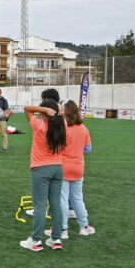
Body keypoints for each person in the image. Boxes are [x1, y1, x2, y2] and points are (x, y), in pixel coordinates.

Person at [45, 100, 95, 240]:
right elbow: (88, 149)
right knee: (78, 199)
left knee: (62, 200)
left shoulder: (63, 127)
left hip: (64, 166)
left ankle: (62, 229)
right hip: (78, 167)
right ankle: (84, 227)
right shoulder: (83, 128)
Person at [20, 100, 66, 251]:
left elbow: (27, 108)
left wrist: (45, 108)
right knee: (55, 204)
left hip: (41, 169)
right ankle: (56, 238)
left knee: (39, 205)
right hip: (58, 168)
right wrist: (51, 111)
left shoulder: (40, 126)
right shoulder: (62, 126)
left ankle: (36, 240)